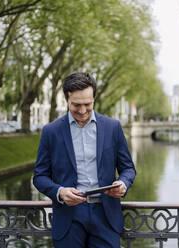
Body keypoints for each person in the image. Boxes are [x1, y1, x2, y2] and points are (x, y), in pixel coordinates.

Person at [33, 72, 136, 248]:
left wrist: (123, 183)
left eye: (87, 104)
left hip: (106, 216)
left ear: (94, 99)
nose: (82, 111)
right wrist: (60, 192)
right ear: (67, 100)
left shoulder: (113, 128)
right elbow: (39, 177)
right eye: (76, 105)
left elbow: (128, 169)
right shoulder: (51, 131)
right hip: (68, 218)